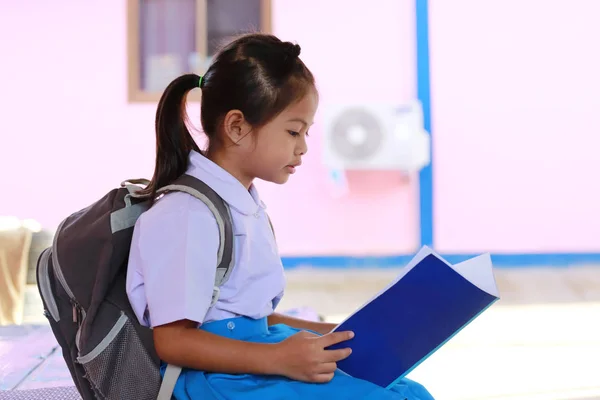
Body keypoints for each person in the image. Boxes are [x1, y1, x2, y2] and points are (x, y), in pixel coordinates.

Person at [126, 33, 435, 400]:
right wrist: (278, 358)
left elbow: (251, 317)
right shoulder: (187, 214)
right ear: (237, 126)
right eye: (293, 131)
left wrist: (333, 334)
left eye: (306, 132)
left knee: (408, 391)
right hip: (215, 378)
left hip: (256, 356)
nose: (303, 147)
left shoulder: (241, 203)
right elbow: (173, 341)